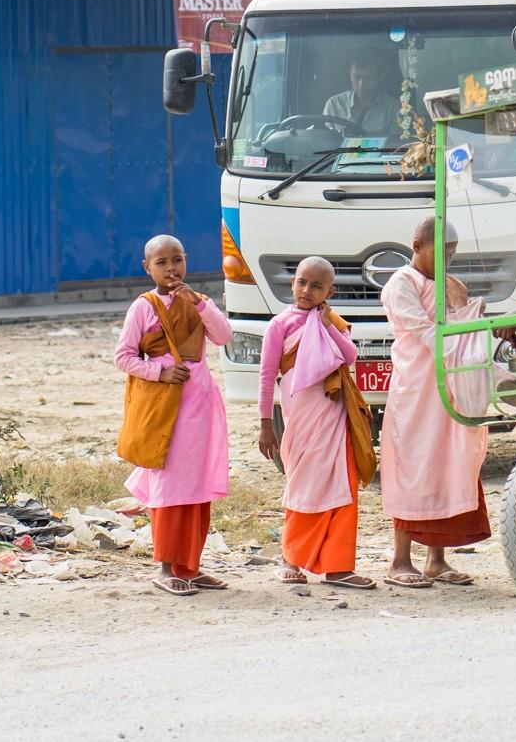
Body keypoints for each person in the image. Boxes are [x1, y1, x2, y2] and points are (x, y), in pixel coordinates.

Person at [114, 235, 233, 597]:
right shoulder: (144, 307)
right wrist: (161, 373)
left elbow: (224, 336)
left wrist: (197, 303)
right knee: (169, 486)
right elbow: (123, 357)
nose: (171, 268)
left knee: (197, 486)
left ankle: (190, 567)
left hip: (200, 405)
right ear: (147, 267)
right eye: (162, 262)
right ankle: (166, 567)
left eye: (177, 260)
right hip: (164, 408)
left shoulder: (198, 302)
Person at [378, 217, 489, 588]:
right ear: (417, 245)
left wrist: (471, 313)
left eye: (453, 253)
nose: (448, 260)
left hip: (449, 388)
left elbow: (464, 326)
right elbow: (428, 332)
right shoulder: (400, 284)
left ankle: (436, 561)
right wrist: (465, 326)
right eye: (442, 251)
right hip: (416, 391)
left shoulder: (450, 284)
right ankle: (399, 561)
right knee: (414, 469)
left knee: (448, 463)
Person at [257, 256, 378, 590]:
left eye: (316, 286)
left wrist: (325, 324)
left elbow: (350, 356)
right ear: (293, 283)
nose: (306, 291)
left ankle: (338, 567)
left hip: (333, 414)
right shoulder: (279, 325)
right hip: (301, 414)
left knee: (342, 481)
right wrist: (265, 422)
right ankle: (291, 559)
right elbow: (267, 376)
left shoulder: (330, 321)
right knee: (305, 483)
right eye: (301, 282)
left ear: (330, 291)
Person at [322, 50, 400, 138]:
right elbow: (324, 142)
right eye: (356, 77)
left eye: (369, 78)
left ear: (380, 76)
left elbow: (397, 146)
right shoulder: (333, 105)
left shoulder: (393, 108)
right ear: (349, 74)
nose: (361, 85)